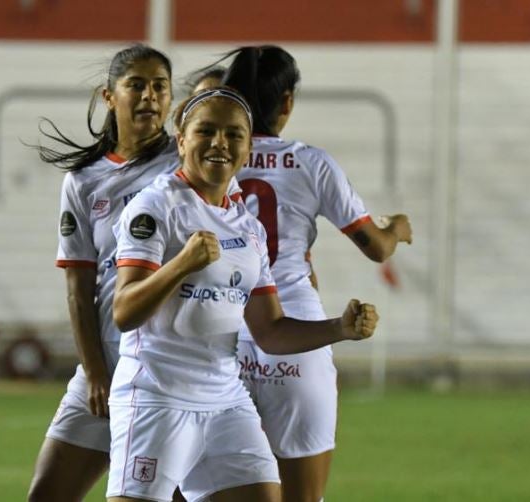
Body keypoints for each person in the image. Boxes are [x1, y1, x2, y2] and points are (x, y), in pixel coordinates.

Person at [106, 87, 378, 502]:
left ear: (248, 148)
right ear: (182, 140)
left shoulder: (247, 226)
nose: (220, 143)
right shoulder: (155, 207)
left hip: (224, 400)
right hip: (158, 398)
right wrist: (181, 265)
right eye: (206, 131)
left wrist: (339, 328)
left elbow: (269, 331)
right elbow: (124, 312)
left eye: (234, 134)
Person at [206, 46, 412, 502]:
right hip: (297, 336)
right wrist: (397, 229)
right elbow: (376, 248)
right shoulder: (310, 163)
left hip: (220, 336)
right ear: (287, 104)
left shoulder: (208, 161)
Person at [27, 44, 178, 502]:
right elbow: (79, 289)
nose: (149, 96)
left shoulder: (184, 168)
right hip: (107, 361)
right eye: (136, 85)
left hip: (168, 364)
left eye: (160, 87)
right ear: (109, 95)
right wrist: (94, 372)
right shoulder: (83, 181)